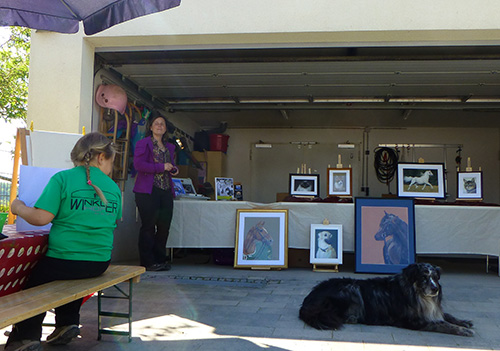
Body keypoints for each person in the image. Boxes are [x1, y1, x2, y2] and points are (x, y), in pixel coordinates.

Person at [5, 132, 121, 351]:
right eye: (111, 162)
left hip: (64, 259)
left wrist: (18, 207)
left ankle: (25, 336)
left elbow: (41, 218)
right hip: (99, 262)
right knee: (71, 278)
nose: (110, 168)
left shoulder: (63, 179)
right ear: (101, 157)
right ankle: (67, 322)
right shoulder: (114, 188)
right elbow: (113, 220)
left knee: (34, 284)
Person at [133, 113, 179, 272]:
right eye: (157, 123)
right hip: (147, 191)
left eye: (162, 124)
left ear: (165, 129)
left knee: (164, 226)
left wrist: (173, 169)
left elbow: (171, 165)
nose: (160, 126)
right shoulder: (143, 144)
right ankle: (147, 262)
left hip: (165, 190)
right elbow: (138, 165)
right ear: (151, 127)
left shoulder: (169, 147)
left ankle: (160, 259)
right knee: (148, 226)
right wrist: (161, 167)